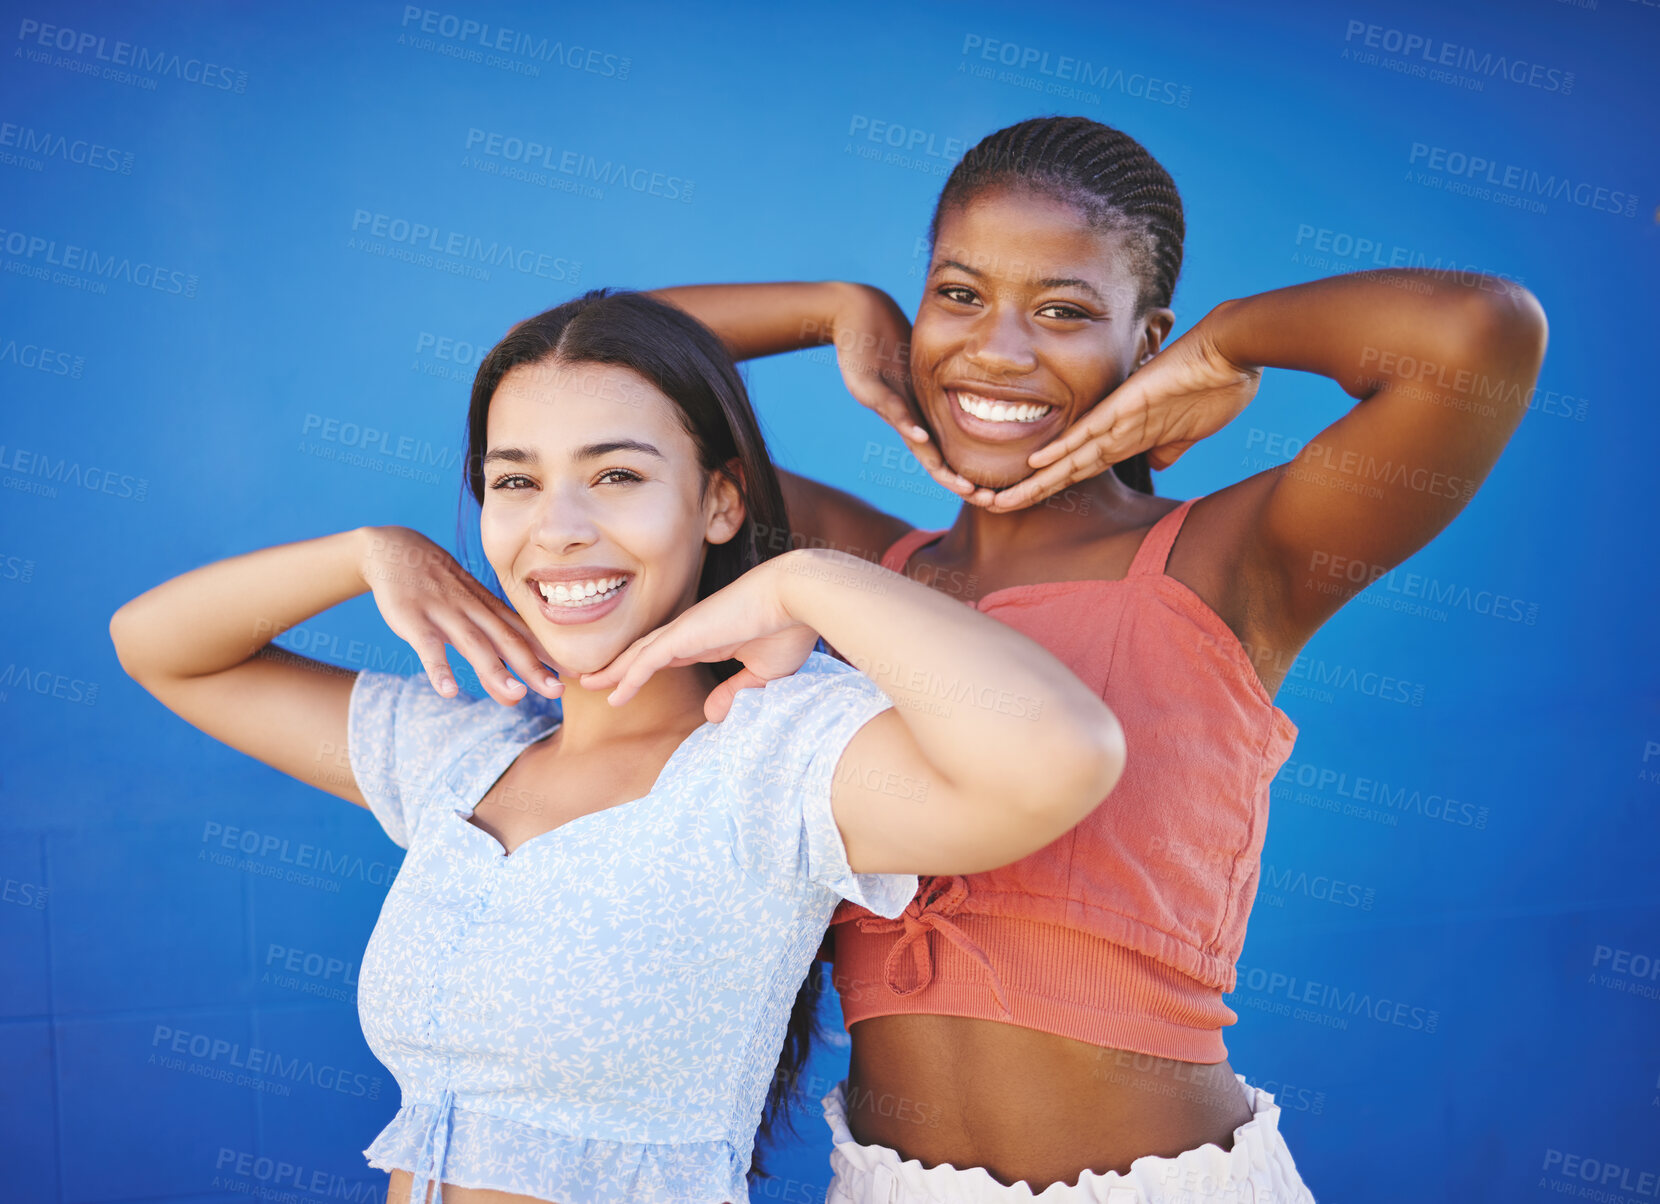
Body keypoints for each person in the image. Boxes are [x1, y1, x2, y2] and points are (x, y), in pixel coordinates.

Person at [650, 115, 1547, 1202]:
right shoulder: (845, 569)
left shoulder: (1227, 561)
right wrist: (834, 308)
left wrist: (1228, 345)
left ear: (1144, 338)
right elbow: (579, 369)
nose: (999, 349)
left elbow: (1478, 336)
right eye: (959, 294)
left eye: (1065, 311)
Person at [108, 289, 1127, 1204]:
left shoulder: (771, 758)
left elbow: (1065, 750)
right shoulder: (461, 756)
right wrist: (366, 552)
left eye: (617, 474)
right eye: (514, 481)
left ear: (720, 500)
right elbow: (161, 648)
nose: (557, 528)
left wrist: (806, 581)